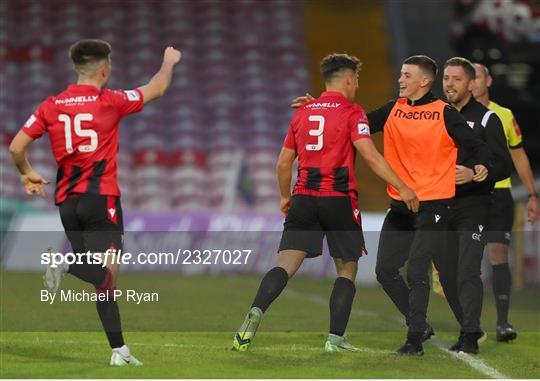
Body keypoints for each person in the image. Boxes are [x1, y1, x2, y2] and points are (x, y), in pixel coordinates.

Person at [293, 55, 491, 356]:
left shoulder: (444, 113)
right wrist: (324, 106)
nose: (400, 80)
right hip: (400, 204)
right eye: (400, 73)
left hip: (434, 204)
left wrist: (479, 166)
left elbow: (476, 144)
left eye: (407, 75)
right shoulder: (392, 110)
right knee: (385, 270)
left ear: (424, 81)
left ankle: (414, 341)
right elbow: (353, 124)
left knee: (417, 271)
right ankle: (421, 325)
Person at [8, 39, 182, 366]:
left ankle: (119, 350)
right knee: (107, 277)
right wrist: (169, 61)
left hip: (68, 204)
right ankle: (62, 264)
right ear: (105, 69)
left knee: (102, 281)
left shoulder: (51, 105)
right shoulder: (110, 101)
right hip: (101, 199)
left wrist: (27, 173)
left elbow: (17, 147)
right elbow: (157, 88)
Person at [232, 53, 419, 353]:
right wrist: (403, 187)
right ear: (347, 79)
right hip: (340, 198)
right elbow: (370, 155)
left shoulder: (303, 113)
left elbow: (283, 163)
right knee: (346, 270)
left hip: (304, 196)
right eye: (356, 79)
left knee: (284, 264)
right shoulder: (352, 112)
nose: (357, 84)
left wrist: (285, 196)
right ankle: (335, 338)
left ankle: (256, 312)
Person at [432, 57, 511, 354]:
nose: (449, 85)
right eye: (446, 79)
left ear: (471, 84)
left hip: (474, 206)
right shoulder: (437, 115)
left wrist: (478, 172)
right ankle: (471, 328)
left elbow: (503, 165)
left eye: (456, 79)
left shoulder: (489, 119)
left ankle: (468, 338)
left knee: (467, 270)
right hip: (441, 204)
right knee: (447, 272)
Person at [472, 62, 540, 341]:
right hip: (467, 195)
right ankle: (469, 322)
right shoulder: (452, 115)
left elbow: (519, 155)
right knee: (466, 259)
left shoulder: (504, 114)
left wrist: (532, 194)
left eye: (476, 76)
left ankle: (502, 322)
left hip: (499, 194)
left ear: (488, 80)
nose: (471, 82)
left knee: (498, 254)